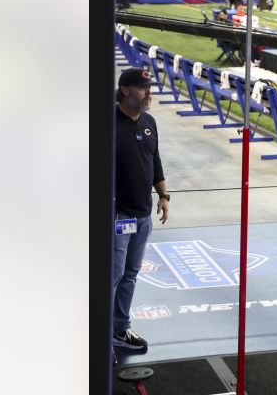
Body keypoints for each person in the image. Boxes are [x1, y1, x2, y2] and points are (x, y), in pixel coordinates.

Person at [112, 67, 171, 352]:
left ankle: (119, 329)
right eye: (142, 87)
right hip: (118, 215)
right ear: (125, 90)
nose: (148, 92)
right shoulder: (107, 123)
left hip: (142, 215)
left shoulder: (149, 121)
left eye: (149, 87)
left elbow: (154, 158)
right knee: (112, 276)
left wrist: (163, 194)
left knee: (131, 274)